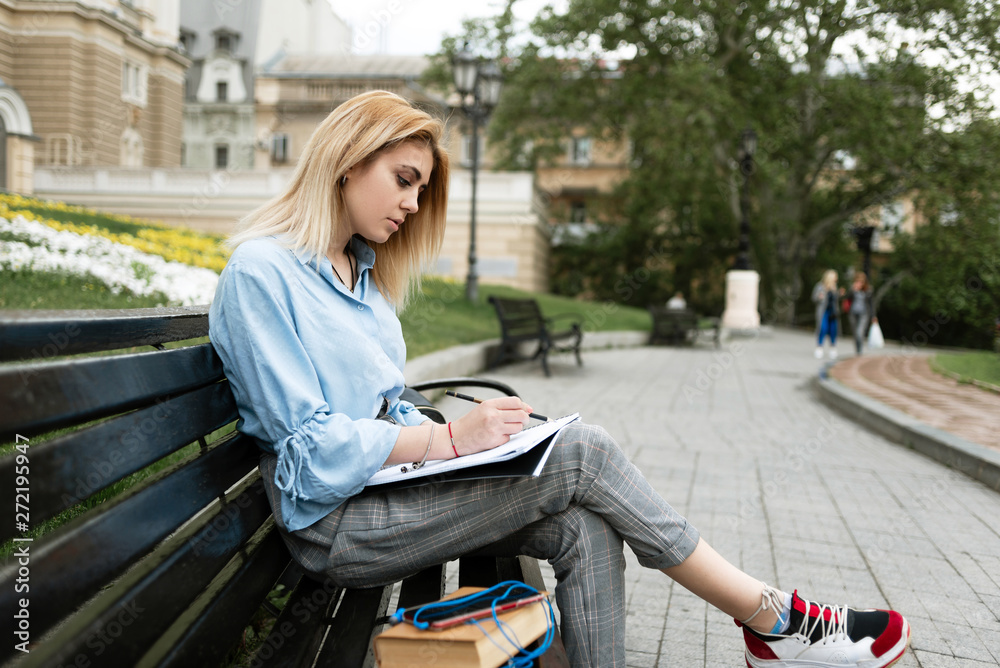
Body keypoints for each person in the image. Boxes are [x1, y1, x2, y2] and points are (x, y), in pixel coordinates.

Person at [208, 91, 911, 668]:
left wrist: (493, 443)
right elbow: (310, 449)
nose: (414, 205)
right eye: (404, 180)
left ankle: (768, 624)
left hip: (385, 496)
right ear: (345, 162)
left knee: (583, 524)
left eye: (420, 188)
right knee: (585, 452)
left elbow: (386, 411)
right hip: (335, 525)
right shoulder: (262, 275)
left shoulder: (361, 281)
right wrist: (452, 439)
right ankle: (774, 619)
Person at [811, 269, 843, 360]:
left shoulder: (835, 287)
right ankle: (819, 347)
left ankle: (833, 348)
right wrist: (819, 297)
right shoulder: (820, 286)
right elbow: (814, 298)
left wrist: (840, 294)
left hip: (833, 312)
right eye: (835, 277)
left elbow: (836, 300)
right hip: (823, 311)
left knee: (833, 330)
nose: (836, 279)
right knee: (823, 328)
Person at [847, 272, 873, 355]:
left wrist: (873, 316)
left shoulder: (868, 290)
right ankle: (857, 349)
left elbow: (871, 303)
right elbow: (847, 299)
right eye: (858, 281)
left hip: (864, 314)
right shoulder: (852, 289)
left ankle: (860, 350)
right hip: (853, 313)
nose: (859, 283)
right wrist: (852, 290)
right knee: (855, 333)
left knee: (859, 332)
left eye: (861, 282)